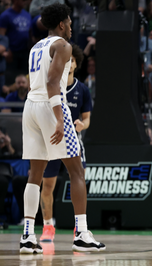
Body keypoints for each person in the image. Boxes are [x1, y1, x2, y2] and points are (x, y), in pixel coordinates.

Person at [20, 3, 104, 254]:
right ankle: (82, 233)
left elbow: (42, 81)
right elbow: (52, 82)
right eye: (68, 22)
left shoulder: (36, 46)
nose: (71, 26)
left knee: (35, 175)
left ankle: (26, 235)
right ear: (61, 24)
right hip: (50, 106)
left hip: (30, 107)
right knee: (77, 171)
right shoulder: (63, 45)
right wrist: (59, 118)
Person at [39, 44, 92, 242]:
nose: (68, 65)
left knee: (78, 179)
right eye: (66, 61)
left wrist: (81, 125)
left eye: (72, 62)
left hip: (72, 140)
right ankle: (47, 226)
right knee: (48, 186)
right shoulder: (51, 86)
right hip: (52, 140)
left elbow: (87, 119)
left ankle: (80, 227)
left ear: (76, 64)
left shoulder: (82, 90)